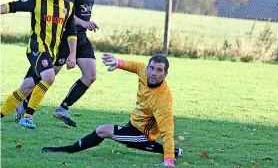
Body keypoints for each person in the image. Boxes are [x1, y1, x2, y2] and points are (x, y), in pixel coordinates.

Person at [41, 53, 183, 167]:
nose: (153, 73)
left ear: (165, 74)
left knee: (103, 130)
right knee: (124, 139)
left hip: (143, 134)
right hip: (133, 123)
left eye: (159, 70)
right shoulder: (143, 71)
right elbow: (134, 66)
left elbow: (167, 133)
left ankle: (68, 149)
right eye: (151, 68)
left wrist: (168, 162)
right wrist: (118, 63)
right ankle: (174, 152)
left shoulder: (163, 101)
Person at [16, 0, 99, 127]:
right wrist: (83, 22)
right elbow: (65, 14)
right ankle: (23, 104)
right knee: (45, 75)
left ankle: (63, 108)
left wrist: (85, 25)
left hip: (81, 37)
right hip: (65, 39)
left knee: (91, 75)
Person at [0, 0, 77, 129]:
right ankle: (28, 117)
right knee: (49, 76)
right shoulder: (37, 0)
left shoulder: (68, 6)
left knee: (26, 87)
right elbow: (12, 6)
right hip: (36, 49)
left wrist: (73, 55)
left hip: (51, 53)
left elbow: (71, 32)